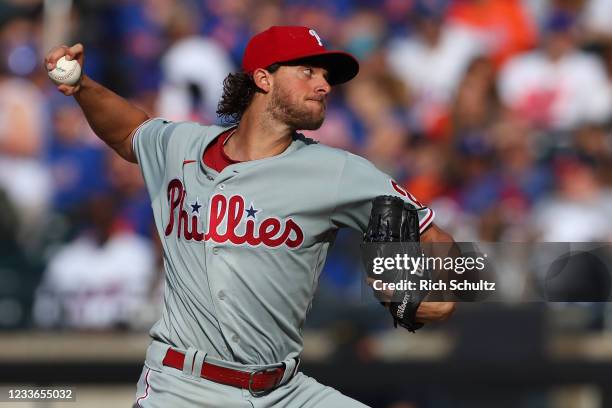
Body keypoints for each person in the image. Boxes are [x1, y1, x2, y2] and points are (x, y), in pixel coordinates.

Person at [45, 25, 455, 408]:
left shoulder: (339, 172)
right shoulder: (181, 146)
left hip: (285, 390)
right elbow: (128, 131)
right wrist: (81, 86)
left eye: (327, 77)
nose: (325, 85)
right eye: (308, 71)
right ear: (264, 79)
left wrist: (438, 288)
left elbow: (439, 240)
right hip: (182, 387)